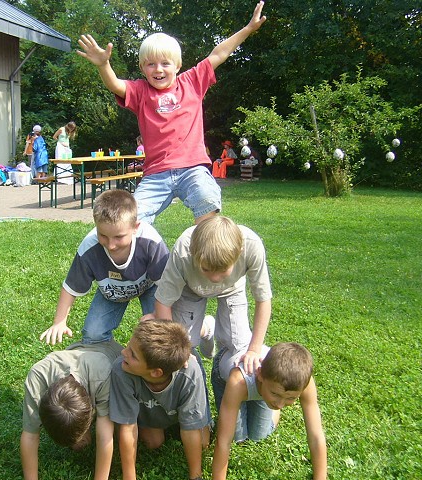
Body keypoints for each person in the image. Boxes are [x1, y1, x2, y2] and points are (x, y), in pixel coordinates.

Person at [76, 2, 267, 224]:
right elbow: (116, 85)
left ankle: (205, 243)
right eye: (150, 64)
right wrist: (103, 65)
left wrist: (248, 28)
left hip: (192, 169)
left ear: (177, 65)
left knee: (206, 198)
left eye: (165, 63)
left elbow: (220, 53)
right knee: (131, 219)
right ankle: (142, 245)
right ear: (142, 68)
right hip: (156, 174)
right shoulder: (141, 91)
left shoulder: (192, 82)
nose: (158, 69)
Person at [40, 189, 169, 345]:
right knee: (93, 334)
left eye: (119, 237)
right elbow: (71, 287)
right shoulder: (89, 248)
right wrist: (59, 322)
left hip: (151, 287)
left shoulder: (151, 242)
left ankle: (144, 357)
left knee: (159, 330)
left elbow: (169, 287)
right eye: (103, 236)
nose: (111, 245)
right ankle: (110, 355)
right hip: (112, 291)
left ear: (135, 227)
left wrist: (156, 314)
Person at [154, 214, 272, 377]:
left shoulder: (252, 246)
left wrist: (254, 349)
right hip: (190, 288)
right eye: (206, 269)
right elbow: (163, 301)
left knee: (238, 344)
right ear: (193, 252)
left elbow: (263, 299)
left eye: (223, 270)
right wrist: (176, 348)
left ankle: (208, 331)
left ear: (239, 253)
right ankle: (206, 329)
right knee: (186, 343)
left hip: (232, 287)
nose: (215, 278)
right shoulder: (183, 251)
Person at [110, 319, 211, 480]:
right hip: (152, 414)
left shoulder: (190, 373)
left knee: (203, 443)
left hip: (179, 406)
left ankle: (207, 325)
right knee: (153, 442)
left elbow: (192, 429)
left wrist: (196, 477)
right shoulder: (121, 370)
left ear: (156, 372)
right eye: (128, 346)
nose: (124, 352)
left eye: (133, 354)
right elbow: (127, 427)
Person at [212, 342, 327, 480]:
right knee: (236, 437)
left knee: (259, 435)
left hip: (263, 389)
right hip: (227, 377)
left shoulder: (303, 382)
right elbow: (224, 441)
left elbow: (316, 436)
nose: (280, 404)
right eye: (276, 394)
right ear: (260, 374)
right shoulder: (237, 382)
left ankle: (265, 403)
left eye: (290, 398)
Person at [21, 340, 123, 480]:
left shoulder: (103, 374)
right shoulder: (37, 377)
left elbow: (104, 433)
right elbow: (30, 436)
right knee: (79, 445)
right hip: (83, 358)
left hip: (111, 358)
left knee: (123, 431)